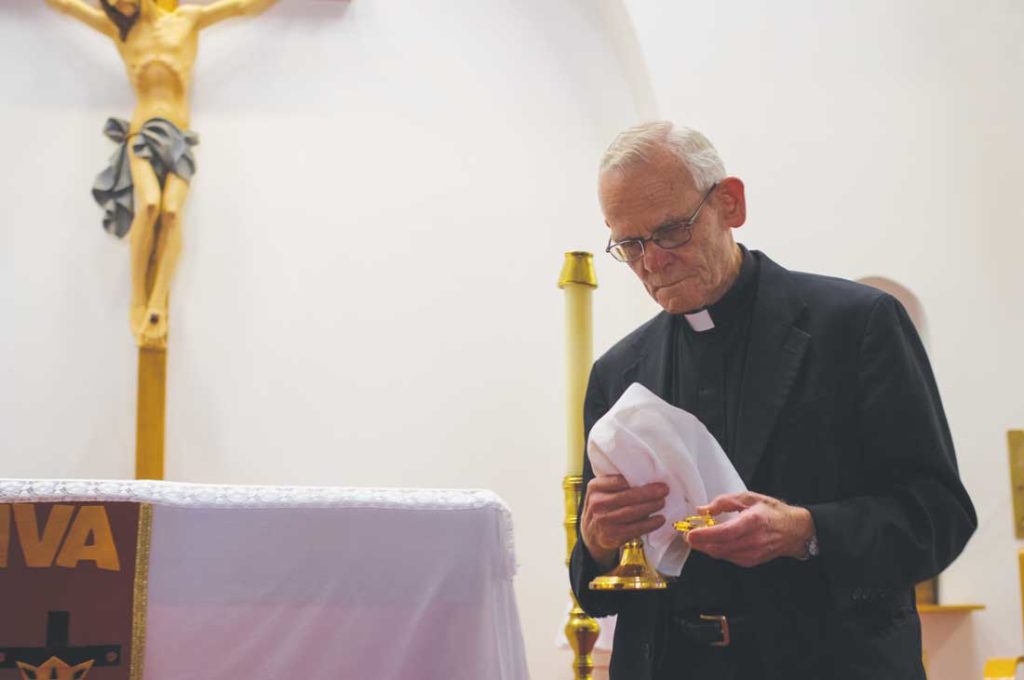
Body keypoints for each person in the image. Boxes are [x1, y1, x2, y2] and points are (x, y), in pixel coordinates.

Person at [569, 121, 976, 680]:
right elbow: (593, 589)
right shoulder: (619, 372)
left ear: (730, 204)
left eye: (670, 232)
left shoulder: (857, 326)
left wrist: (807, 532)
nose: (652, 262)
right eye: (630, 245)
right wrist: (597, 542)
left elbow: (939, 517)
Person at [44, 0, 278, 347]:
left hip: (179, 137)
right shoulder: (117, 31)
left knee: (171, 213)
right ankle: (138, 297)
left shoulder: (187, 20)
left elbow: (242, 7)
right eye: (112, 3)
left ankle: (158, 303)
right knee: (150, 204)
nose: (120, 7)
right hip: (140, 134)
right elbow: (68, 8)